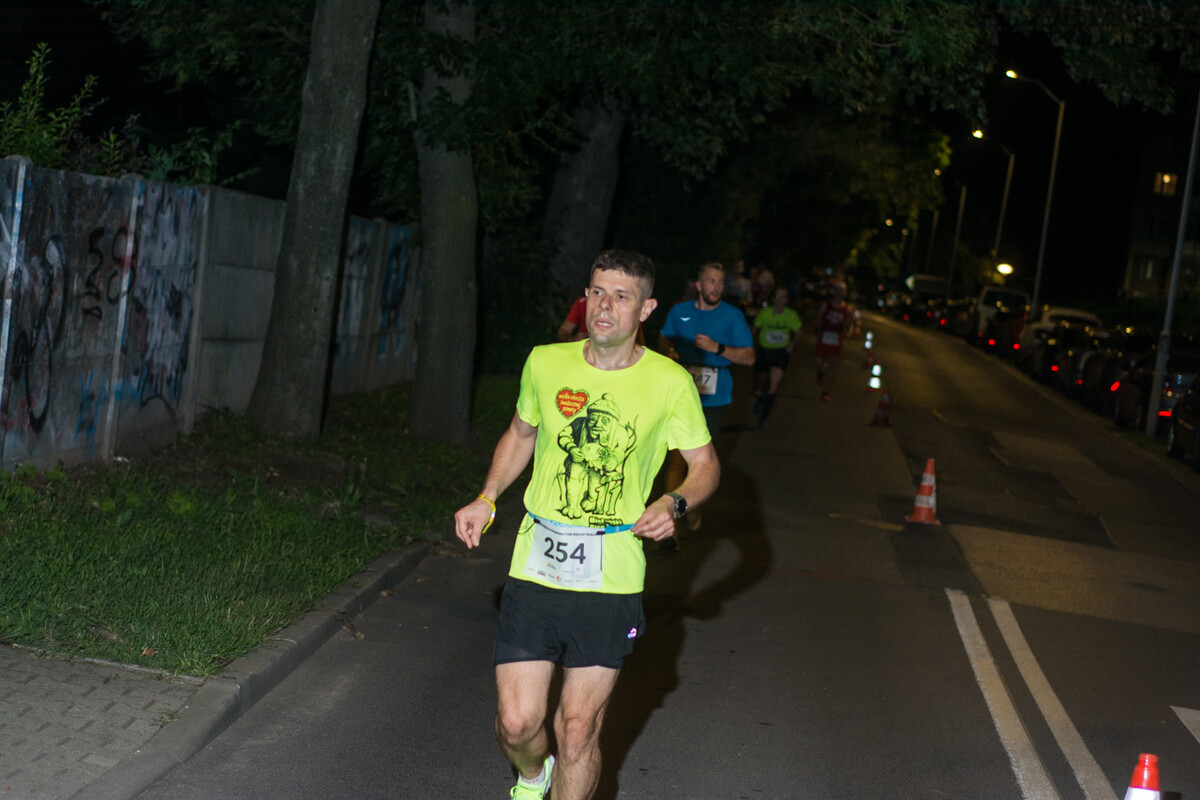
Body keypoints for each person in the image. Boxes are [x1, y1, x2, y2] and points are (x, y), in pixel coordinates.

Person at [454, 249, 719, 800]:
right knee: (517, 723)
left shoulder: (669, 382)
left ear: (645, 309)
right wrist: (486, 497)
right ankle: (534, 777)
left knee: (577, 729)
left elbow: (705, 465)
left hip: (611, 575)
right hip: (536, 564)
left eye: (621, 296)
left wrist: (674, 504)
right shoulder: (546, 363)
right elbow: (521, 434)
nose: (604, 305)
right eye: (597, 292)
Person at [657, 262, 753, 536]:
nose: (716, 287)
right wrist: (670, 352)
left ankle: (690, 505)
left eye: (721, 282)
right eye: (711, 281)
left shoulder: (732, 316)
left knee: (699, 461)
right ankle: (670, 526)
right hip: (681, 394)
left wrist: (717, 348)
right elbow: (663, 338)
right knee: (676, 457)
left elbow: (749, 357)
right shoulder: (680, 312)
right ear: (699, 285)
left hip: (714, 399)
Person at [751, 286, 802, 426]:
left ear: (787, 300)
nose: (780, 300)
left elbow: (798, 333)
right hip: (764, 351)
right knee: (759, 387)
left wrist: (791, 345)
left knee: (773, 384)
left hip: (780, 353)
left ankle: (763, 418)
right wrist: (749, 344)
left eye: (783, 297)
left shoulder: (791, 315)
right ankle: (759, 399)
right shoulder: (765, 313)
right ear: (773, 299)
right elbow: (754, 329)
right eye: (778, 297)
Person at [814, 281, 851, 402]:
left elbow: (849, 323)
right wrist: (817, 328)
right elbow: (819, 317)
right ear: (834, 292)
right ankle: (820, 371)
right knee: (818, 360)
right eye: (837, 290)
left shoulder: (846, 309)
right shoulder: (827, 305)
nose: (839, 293)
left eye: (842, 291)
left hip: (836, 339)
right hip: (824, 336)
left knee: (832, 366)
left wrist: (848, 331)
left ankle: (825, 392)